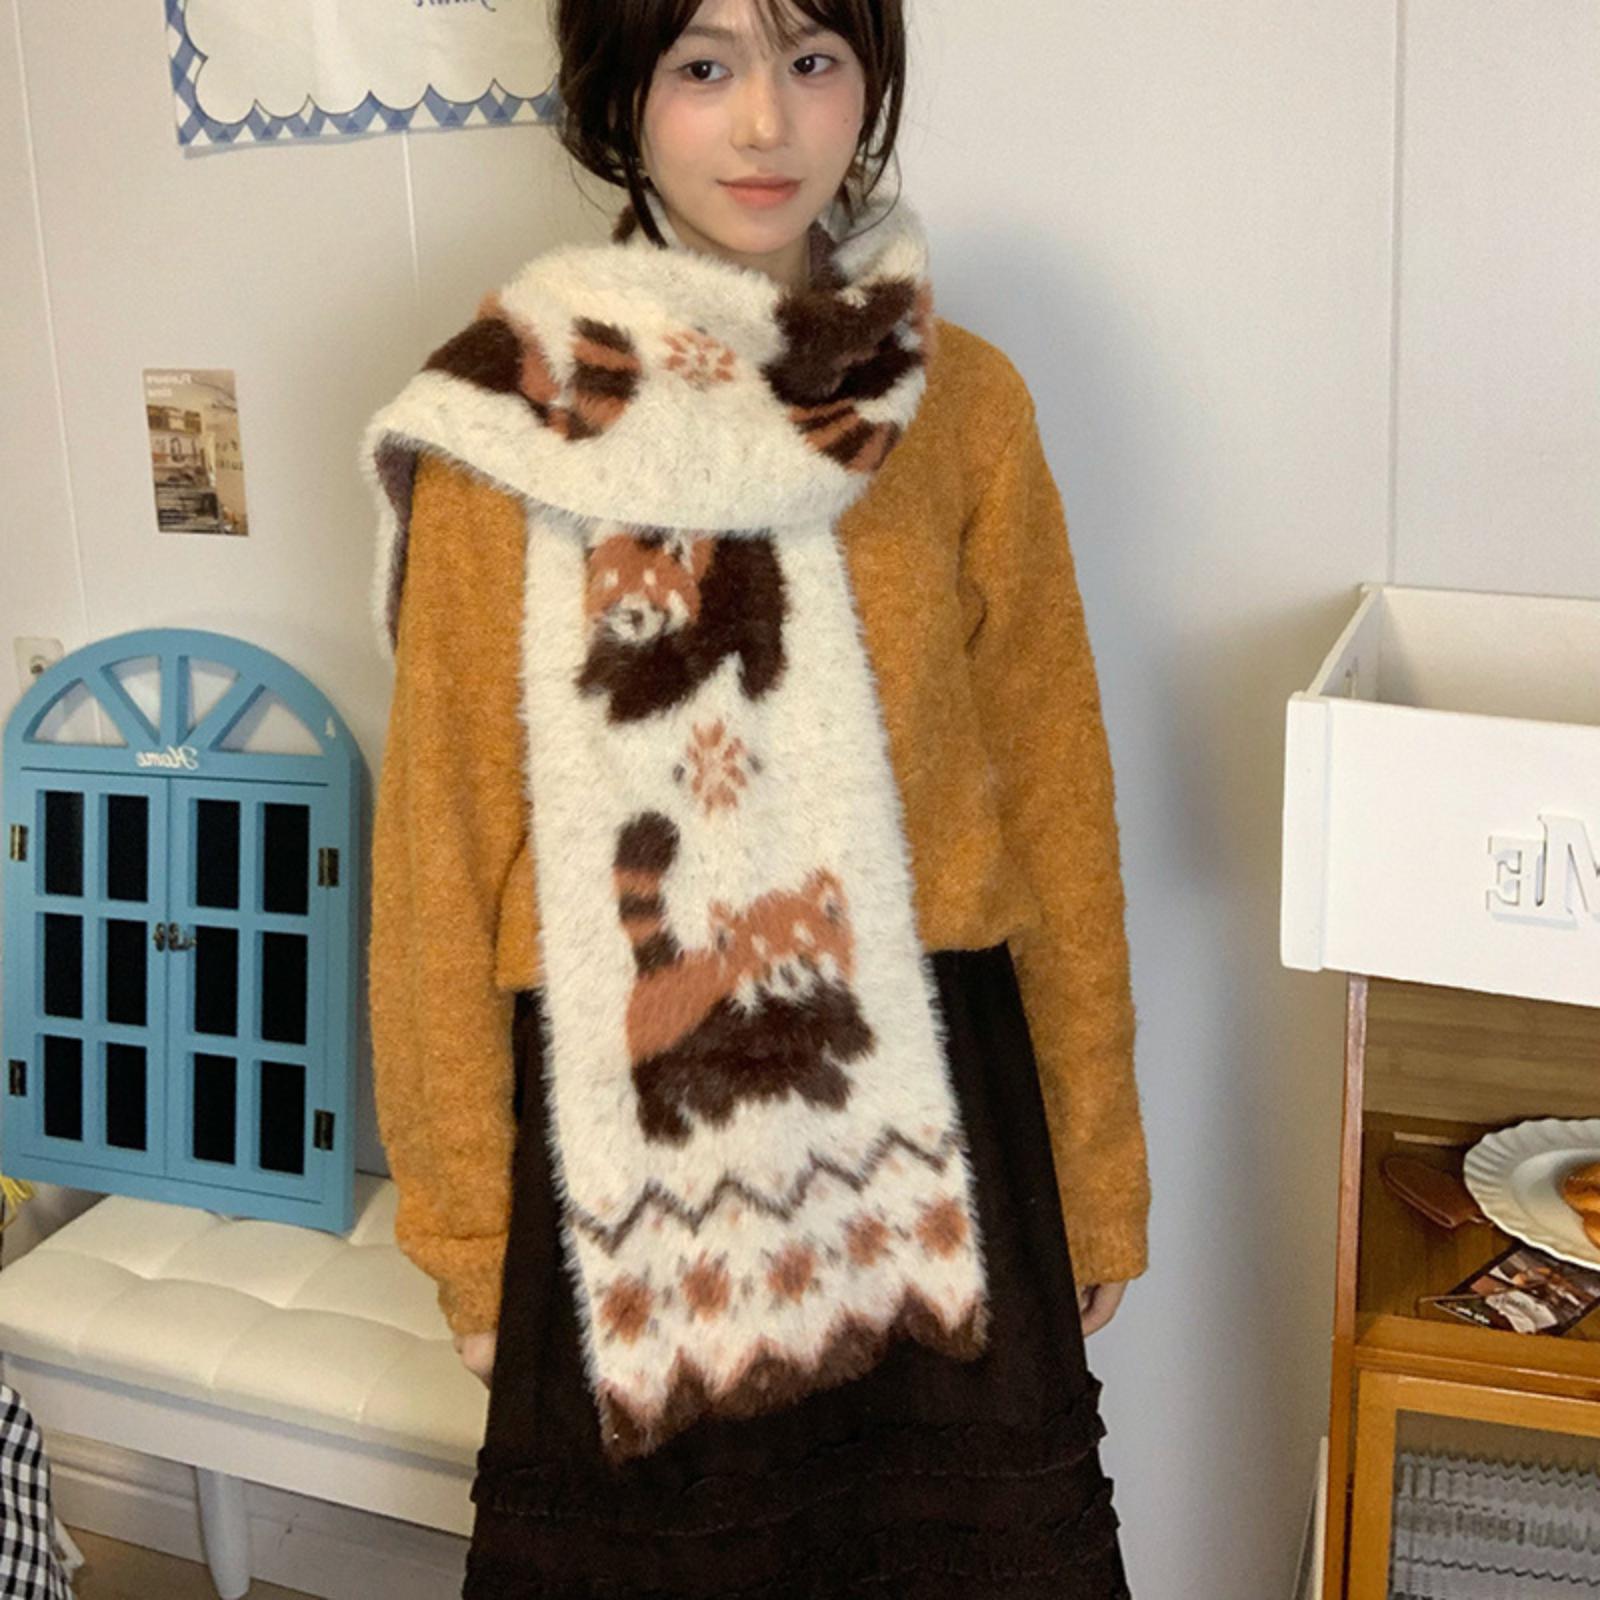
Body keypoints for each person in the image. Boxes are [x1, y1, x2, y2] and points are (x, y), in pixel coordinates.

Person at [364, 0, 1152, 1593]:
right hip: (625, 1132)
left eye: (811, 60)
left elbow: (1057, 799)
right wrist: (463, 1235)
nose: (764, 124)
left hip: (934, 1112)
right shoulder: (505, 419)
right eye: (704, 66)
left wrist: (1096, 1170)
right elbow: (438, 851)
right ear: (621, 99)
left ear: (868, 82)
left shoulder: (964, 406)